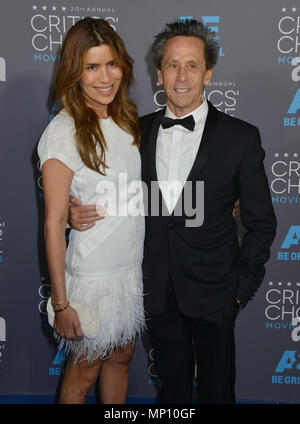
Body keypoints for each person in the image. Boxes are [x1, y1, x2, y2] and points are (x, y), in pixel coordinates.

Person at [69, 19, 277, 404]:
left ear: (208, 73)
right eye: (172, 65)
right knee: (172, 396)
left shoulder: (241, 137)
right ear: (159, 74)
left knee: (218, 393)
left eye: (192, 65)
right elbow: (105, 191)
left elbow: (262, 223)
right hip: (156, 290)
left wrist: (239, 291)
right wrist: (73, 210)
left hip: (216, 293)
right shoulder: (134, 132)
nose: (182, 76)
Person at [38, 17, 145, 404]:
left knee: (122, 357)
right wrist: (61, 303)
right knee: (84, 371)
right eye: (91, 66)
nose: (105, 77)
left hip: (129, 271)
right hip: (93, 277)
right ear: (74, 72)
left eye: (112, 64)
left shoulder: (125, 117)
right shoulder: (63, 133)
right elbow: (52, 224)